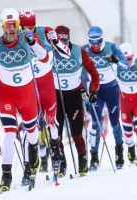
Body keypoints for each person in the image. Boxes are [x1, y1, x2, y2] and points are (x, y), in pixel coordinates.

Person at [0, 8, 43, 191]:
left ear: (18, 25)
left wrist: (33, 42)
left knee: (31, 135)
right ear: (2, 26)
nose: (12, 29)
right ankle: (6, 176)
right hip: (7, 94)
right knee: (9, 133)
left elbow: (42, 56)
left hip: (28, 94)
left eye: (14, 24)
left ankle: (30, 167)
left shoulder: (26, 39)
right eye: (8, 25)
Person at [18, 10, 71, 182]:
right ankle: (29, 165)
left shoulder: (46, 31)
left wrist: (55, 40)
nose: (27, 30)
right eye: (24, 27)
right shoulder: (14, 37)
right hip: (28, 85)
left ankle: (56, 153)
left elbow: (66, 54)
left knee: (51, 120)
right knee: (30, 127)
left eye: (31, 27)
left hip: (46, 83)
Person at [53, 25, 100, 176]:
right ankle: (61, 162)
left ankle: (82, 158)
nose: (62, 45)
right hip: (56, 97)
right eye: (59, 41)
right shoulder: (49, 51)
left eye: (64, 41)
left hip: (75, 97)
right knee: (56, 134)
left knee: (76, 133)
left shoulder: (79, 51)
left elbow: (94, 74)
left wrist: (93, 91)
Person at [82, 26, 130, 171]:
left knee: (115, 123)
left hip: (111, 89)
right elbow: (78, 70)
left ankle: (119, 152)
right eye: (92, 41)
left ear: (102, 38)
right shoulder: (85, 50)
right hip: (96, 90)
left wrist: (115, 60)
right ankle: (94, 156)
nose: (95, 44)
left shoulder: (111, 47)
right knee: (95, 124)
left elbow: (126, 66)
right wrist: (83, 90)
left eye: (98, 40)